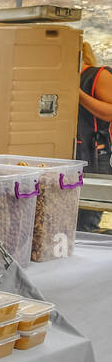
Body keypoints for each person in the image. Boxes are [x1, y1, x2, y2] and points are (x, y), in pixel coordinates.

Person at [75, 42, 112, 231]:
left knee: (86, 223)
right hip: (72, 156)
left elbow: (110, 112)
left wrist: (78, 94)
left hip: (95, 156)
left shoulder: (98, 75)